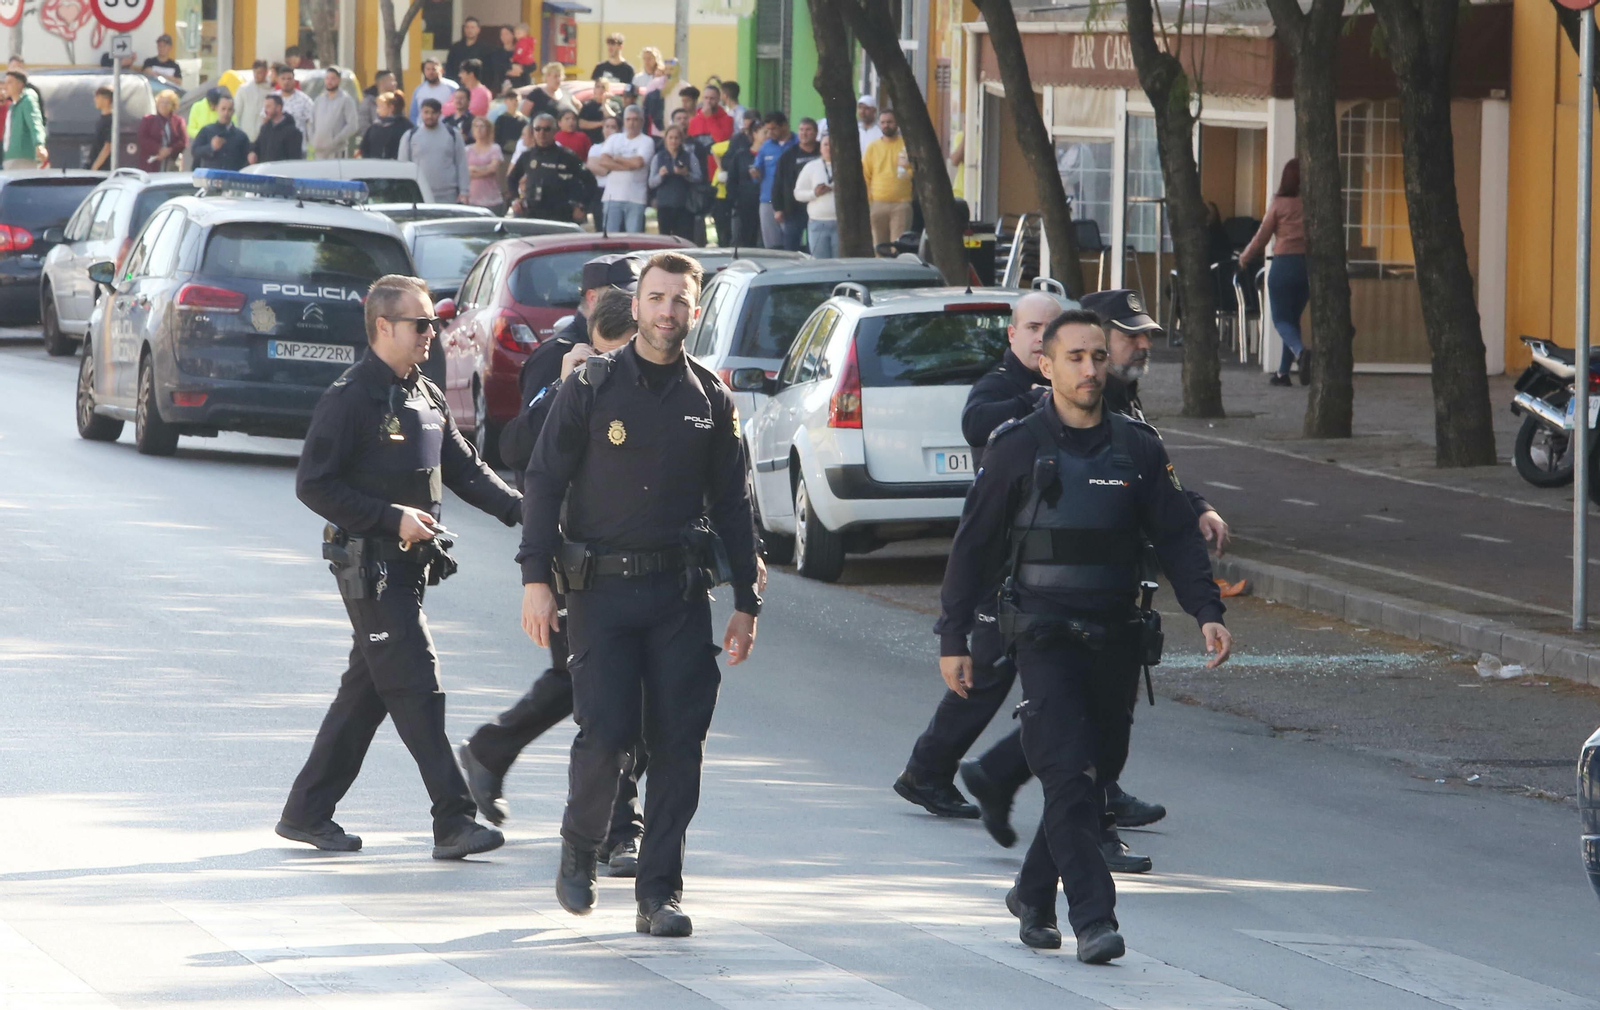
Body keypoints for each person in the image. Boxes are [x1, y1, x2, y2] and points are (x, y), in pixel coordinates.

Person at [935, 307, 1230, 962]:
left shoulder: (1139, 447)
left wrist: (1207, 610)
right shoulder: (1017, 444)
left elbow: (1177, 535)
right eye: (1075, 357)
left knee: (1091, 776)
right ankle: (1094, 918)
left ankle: (1033, 893)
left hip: (1118, 636)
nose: (1091, 369)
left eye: (1099, 356)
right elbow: (973, 546)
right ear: (1046, 365)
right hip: (1042, 634)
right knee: (1068, 773)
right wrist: (954, 635)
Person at [520, 250, 762, 937]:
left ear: (695, 309)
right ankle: (580, 845)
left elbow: (736, 505)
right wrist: (536, 578)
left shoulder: (710, 398)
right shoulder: (593, 384)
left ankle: (659, 894)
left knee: (680, 744)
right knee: (608, 737)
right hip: (601, 595)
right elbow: (543, 480)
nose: (666, 312)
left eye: (679, 301)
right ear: (638, 303)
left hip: (679, 597)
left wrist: (748, 598)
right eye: (656, 298)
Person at [278, 274, 518, 860]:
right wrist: (390, 518)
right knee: (417, 684)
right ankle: (453, 819)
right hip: (372, 568)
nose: (430, 333)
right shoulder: (350, 396)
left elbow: (465, 469)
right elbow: (313, 485)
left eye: (433, 323)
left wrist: (525, 513)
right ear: (383, 327)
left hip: (408, 571)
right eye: (419, 324)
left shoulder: (424, 392)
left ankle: (306, 812)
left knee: (367, 692)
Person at [466, 287, 653, 880]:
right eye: (615, 353)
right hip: (574, 559)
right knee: (607, 696)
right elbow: (518, 448)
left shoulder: (660, 377)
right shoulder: (560, 361)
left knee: (595, 686)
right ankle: (617, 830)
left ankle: (491, 751)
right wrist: (562, 386)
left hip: (637, 561)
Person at [1241, 157, 1308, 387]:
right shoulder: (1310, 203)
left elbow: (1262, 236)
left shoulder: (1279, 204)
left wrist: (1245, 257)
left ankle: (1301, 353)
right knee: (1292, 320)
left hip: (1283, 265)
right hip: (1306, 267)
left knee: (1280, 319)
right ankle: (1282, 373)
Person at [508, 113, 593, 224]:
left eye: (546, 129)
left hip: (561, 215)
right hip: (533, 214)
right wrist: (515, 199)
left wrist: (581, 206)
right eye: (537, 129)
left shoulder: (568, 156)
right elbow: (512, 178)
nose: (542, 133)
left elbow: (590, 181)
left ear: (554, 131)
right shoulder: (527, 156)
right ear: (533, 131)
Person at [592, 105, 654, 233]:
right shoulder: (614, 138)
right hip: (612, 196)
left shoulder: (647, 141)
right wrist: (628, 165)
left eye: (635, 119)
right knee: (610, 237)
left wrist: (616, 158)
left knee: (634, 238)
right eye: (628, 119)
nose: (631, 123)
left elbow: (638, 163)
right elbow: (603, 161)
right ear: (624, 121)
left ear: (642, 121)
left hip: (636, 198)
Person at [400, 99, 470, 204]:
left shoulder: (453, 135)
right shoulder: (410, 137)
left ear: (440, 113)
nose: (429, 116)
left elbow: (461, 163)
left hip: (449, 195)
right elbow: (403, 164)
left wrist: (464, 191)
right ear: (421, 112)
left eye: (433, 112)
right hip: (419, 194)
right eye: (426, 112)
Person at [863, 109, 912, 248]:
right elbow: (866, 175)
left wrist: (907, 171)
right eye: (883, 122)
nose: (886, 125)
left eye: (889, 122)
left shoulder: (906, 145)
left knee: (898, 246)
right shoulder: (873, 147)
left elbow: (915, 170)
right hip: (877, 203)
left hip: (901, 204)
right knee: (879, 246)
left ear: (897, 123)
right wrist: (869, 202)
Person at [773, 117, 820, 252]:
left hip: (817, 207)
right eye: (801, 130)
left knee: (815, 248)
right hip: (793, 209)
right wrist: (778, 208)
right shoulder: (788, 155)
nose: (804, 133)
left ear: (816, 133)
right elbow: (778, 183)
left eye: (808, 130)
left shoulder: (823, 151)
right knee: (791, 247)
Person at [650, 124, 703, 242]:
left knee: (685, 239)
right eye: (671, 138)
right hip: (664, 206)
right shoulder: (658, 158)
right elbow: (651, 182)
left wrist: (686, 174)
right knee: (665, 240)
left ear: (681, 139)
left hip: (684, 206)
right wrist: (661, 175)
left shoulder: (691, 157)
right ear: (666, 139)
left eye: (676, 138)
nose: (673, 141)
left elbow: (698, 176)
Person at [751, 111, 795, 249]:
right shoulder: (766, 146)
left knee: (791, 243)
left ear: (784, 126)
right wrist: (755, 173)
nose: (770, 133)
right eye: (768, 130)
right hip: (768, 199)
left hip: (792, 200)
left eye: (774, 129)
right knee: (771, 245)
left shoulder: (797, 143)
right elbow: (757, 168)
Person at [722, 111, 762, 248]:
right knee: (741, 242)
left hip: (765, 204)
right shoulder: (741, 154)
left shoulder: (774, 155)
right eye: (764, 132)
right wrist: (736, 200)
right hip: (743, 206)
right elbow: (731, 181)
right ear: (754, 134)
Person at [793, 134, 837, 257]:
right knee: (820, 263)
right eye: (825, 144)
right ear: (820, 148)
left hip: (840, 223)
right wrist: (814, 193)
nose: (829, 148)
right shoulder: (811, 167)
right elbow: (798, 193)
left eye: (832, 144)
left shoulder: (845, 166)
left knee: (840, 265)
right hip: (818, 223)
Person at [2, 71, 47, 170]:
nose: (5, 86)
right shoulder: (13, 106)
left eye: (10, 82)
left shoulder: (27, 101)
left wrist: (39, 144)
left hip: (23, 158)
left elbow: (35, 122)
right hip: (10, 157)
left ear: (20, 84)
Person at [192, 95, 251, 171]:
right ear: (217, 109)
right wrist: (211, 147)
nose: (226, 113)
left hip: (232, 178)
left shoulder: (241, 136)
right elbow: (195, 151)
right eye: (223, 109)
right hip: (211, 177)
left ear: (233, 111)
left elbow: (246, 160)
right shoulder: (206, 130)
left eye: (229, 109)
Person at [310, 67, 359, 160]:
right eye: (327, 78)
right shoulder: (319, 100)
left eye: (333, 78)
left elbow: (353, 125)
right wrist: (313, 140)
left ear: (339, 80)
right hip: (319, 151)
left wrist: (336, 141)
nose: (329, 81)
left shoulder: (346, 100)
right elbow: (311, 123)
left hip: (337, 151)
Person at [135, 89, 186, 172]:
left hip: (171, 163)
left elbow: (183, 141)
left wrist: (169, 150)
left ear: (173, 105)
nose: (164, 105)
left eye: (167, 103)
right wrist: (159, 149)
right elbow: (142, 138)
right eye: (161, 102)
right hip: (151, 163)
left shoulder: (178, 121)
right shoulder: (148, 120)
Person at [466, 118, 507, 213]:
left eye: (482, 126)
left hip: (492, 200)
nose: (478, 129)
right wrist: (485, 170)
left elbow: (493, 168)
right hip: (472, 199)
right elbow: (465, 172)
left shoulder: (495, 148)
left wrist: (474, 169)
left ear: (488, 129)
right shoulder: (467, 150)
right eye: (476, 126)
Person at [249, 94, 303, 164]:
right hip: (265, 171)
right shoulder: (265, 128)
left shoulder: (293, 132)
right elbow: (257, 145)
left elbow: (294, 160)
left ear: (278, 107)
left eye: (268, 107)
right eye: (265, 107)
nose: (265, 110)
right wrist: (252, 152)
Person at [360, 92, 409, 160]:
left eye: (381, 106)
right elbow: (365, 148)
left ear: (391, 107)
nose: (377, 110)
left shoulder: (404, 126)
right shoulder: (375, 127)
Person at [410, 60, 459, 125]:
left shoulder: (452, 87)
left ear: (441, 70)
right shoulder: (418, 90)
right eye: (428, 69)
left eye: (434, 69)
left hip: (446, 130)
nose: (430, 72)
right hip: (423, 130)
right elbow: (413, 114)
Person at [235, 61, 273, 141]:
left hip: (265, 137)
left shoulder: (272, 90)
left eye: (259, 73)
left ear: (266, 72)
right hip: (246, 136)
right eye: (254, 72)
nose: (256, 75)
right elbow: (237, 112)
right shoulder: (244, 89)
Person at [446, 17, 490, 84]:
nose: (469, 30)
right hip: (457, 84)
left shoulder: (485, 48)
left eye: (472, 27)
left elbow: (487, 70)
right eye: (467, 27)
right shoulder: (455, 48)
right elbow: (449, 67)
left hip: (476, 85)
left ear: (478, 30)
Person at [274, 64, 315, 137]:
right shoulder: (272, 99)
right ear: (278, 80)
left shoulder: (304, 100)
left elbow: (312, 122)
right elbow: (265, 120)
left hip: (298, 145)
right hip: (276, 145)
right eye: (283, 79)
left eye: (289, 79)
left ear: (294, 80)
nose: (286, 82)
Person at [578, 77, 617, 147]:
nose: (600, 90)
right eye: (598, 87)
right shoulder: (588, 105)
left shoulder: (613, 105)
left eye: (603, 87)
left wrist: (604, 103)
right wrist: (600, 123)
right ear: (594, 90)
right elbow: (581, 124)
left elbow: (614, 120)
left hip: (609, 143)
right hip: (591, 142)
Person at [359, 70, 398, 137]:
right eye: (392, 80)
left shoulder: (397, 100)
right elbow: (363, 125)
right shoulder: (368, 102)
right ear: (382, 83)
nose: (395, 83)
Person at [494, 90, 528, 156]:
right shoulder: (501, 119)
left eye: (516, 99)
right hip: (504, 153)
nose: (514, 101)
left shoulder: (523, 120)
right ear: (506, 101)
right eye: (511, 99)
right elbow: (496, 137)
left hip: (519, 154)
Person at [88, 86, 115, 171]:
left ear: (106, 100)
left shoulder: (111, 120)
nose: (95, 100)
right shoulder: (101, 119)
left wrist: (95, 167)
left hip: (103, 169)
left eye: (97, 97)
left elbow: (108, 146)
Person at [488, 26, 519, 92]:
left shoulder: (520, 51)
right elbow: (497, 67)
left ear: (513, 35)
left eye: (507, 34)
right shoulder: (496, 52)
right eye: (502, 34)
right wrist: (510, 70)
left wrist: (520, 69)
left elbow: (531, 65)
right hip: (501, 85)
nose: (504, 36)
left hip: (519, 84)